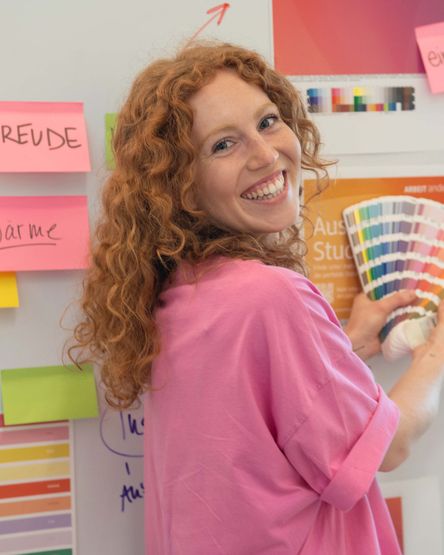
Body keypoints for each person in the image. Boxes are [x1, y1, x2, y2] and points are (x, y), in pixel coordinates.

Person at [71, 42, 444, 554]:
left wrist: (345, 344)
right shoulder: (272, 297)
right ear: (182, 186)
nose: (266, 155)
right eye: (224, 145)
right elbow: (391, 448)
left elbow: (256, 418)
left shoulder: (175, 294)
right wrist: (435, 353)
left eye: (268, 122)